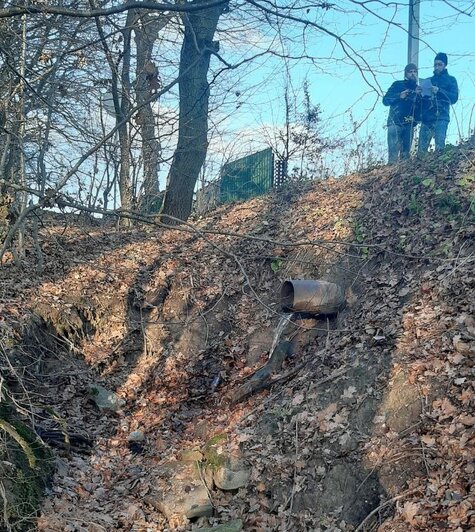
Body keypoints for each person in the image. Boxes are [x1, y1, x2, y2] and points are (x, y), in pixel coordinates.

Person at [418, 52, 458, 153]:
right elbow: (420, 102)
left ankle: (440, 168)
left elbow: (454, 98)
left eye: (439, 64)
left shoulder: (451, 80)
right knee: (421, 151)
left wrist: (439, 91)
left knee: (440, 148)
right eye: (435, 64)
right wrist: (418, 93)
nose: (436, 67)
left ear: (445, 65)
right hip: (427, 118)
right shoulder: (428, 80)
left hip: (442, 117)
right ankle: (420, 168)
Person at [383, 63, 421, 164]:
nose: (412, 74)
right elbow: (385, 100)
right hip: (395, 122)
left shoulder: (419, 89)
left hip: (409, 124)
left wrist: (420, 96)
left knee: (406, 155)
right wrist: (399, 96)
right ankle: (390, 176)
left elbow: (421, 108)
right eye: (410, 72)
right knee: (393, 156)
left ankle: (403, 178)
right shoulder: (397, 84)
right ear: (405, 74)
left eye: (414, 72)